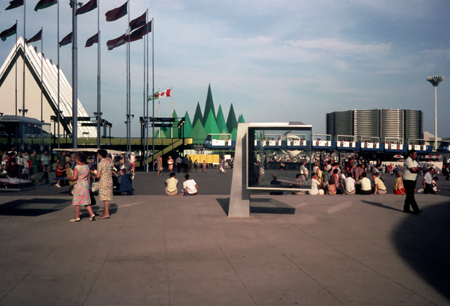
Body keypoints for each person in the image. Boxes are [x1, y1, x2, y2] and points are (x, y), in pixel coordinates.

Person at [67, 152, 95, 222]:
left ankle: (77, 216)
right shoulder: (86, 166)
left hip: (79, 185)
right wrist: (88, 186)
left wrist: (68, 178)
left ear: (78, 159)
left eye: (76, 158)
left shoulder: (77, 167)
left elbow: (74, 178)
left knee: (77, 202)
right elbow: (88, 177)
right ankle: (91, 214)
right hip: (85, 185)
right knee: (86, 201)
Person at [95, 149, 113, 219]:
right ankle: (105, 212)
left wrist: (95, 176)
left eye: (98, 154)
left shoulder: (100, 163)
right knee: (107, 197)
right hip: (109, 181)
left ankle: (107, 213)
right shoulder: (108, 162)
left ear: (100, 155)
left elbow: (98, 175)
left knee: (105, 198)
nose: (98, 156)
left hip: (103, 181)